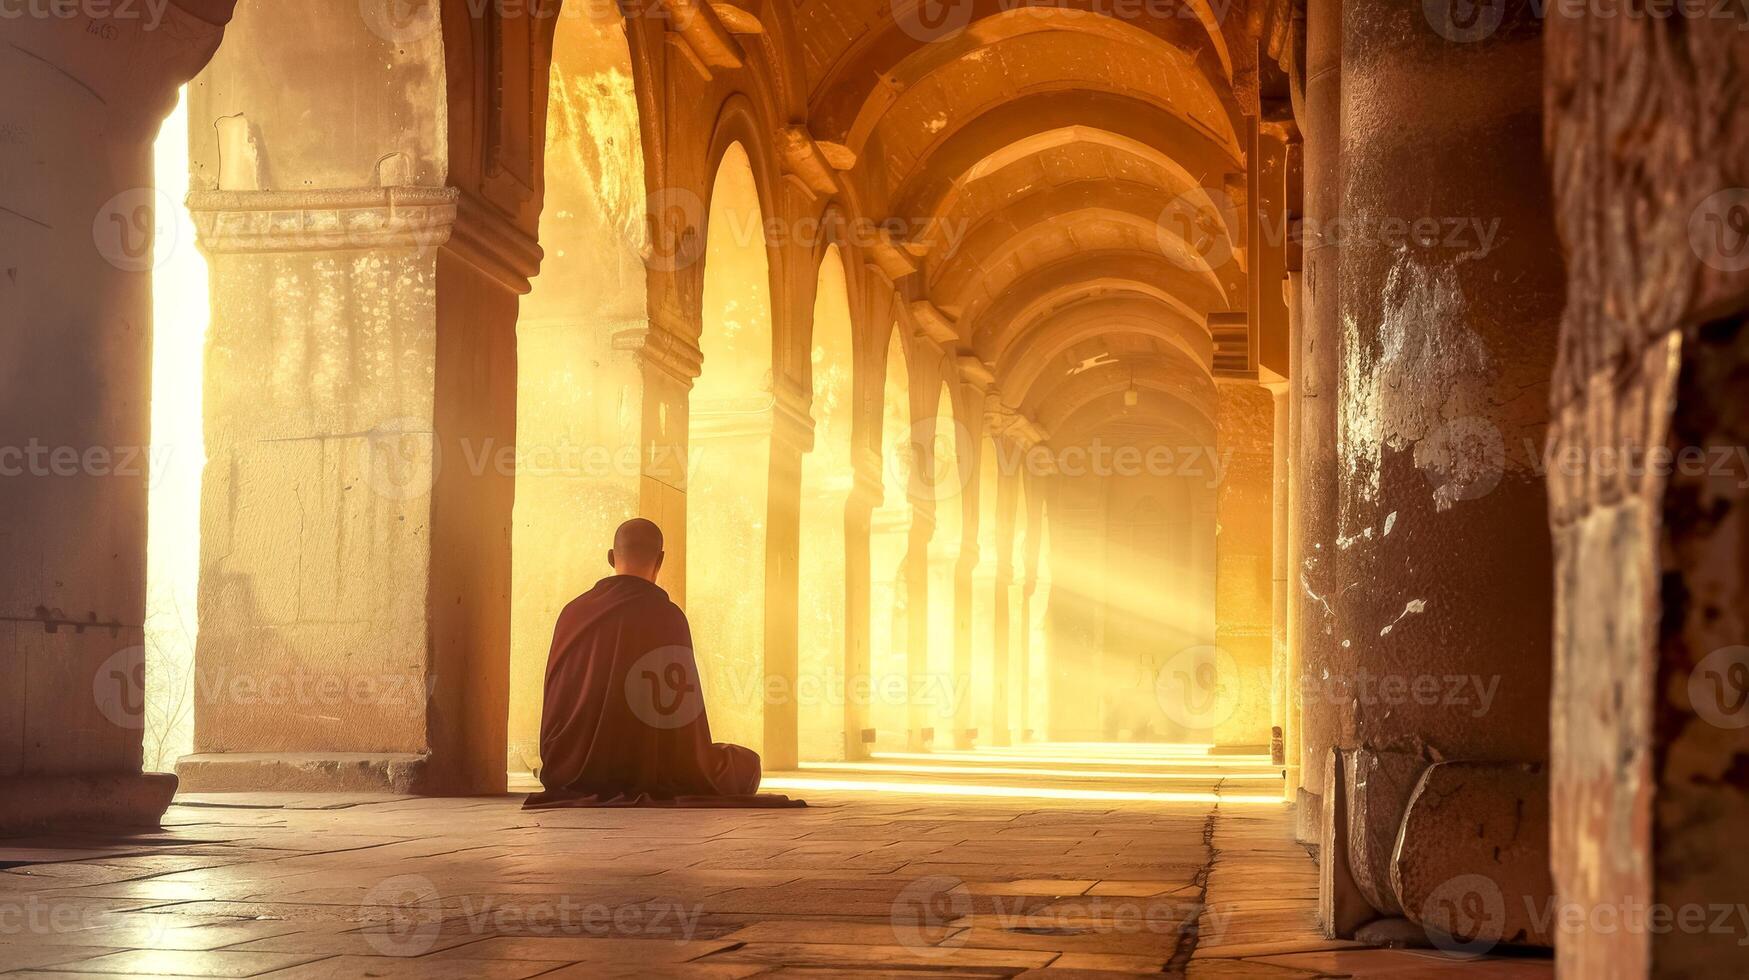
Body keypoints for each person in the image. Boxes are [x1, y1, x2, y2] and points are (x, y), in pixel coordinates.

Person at [529, 518, 795, 808]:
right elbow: (682, 717)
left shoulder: (573, 614)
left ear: (610, 557)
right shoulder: (668, 617)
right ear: (661, 560)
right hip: (650, 765)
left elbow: (557, 701)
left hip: (573, 769)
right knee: (746, 764)